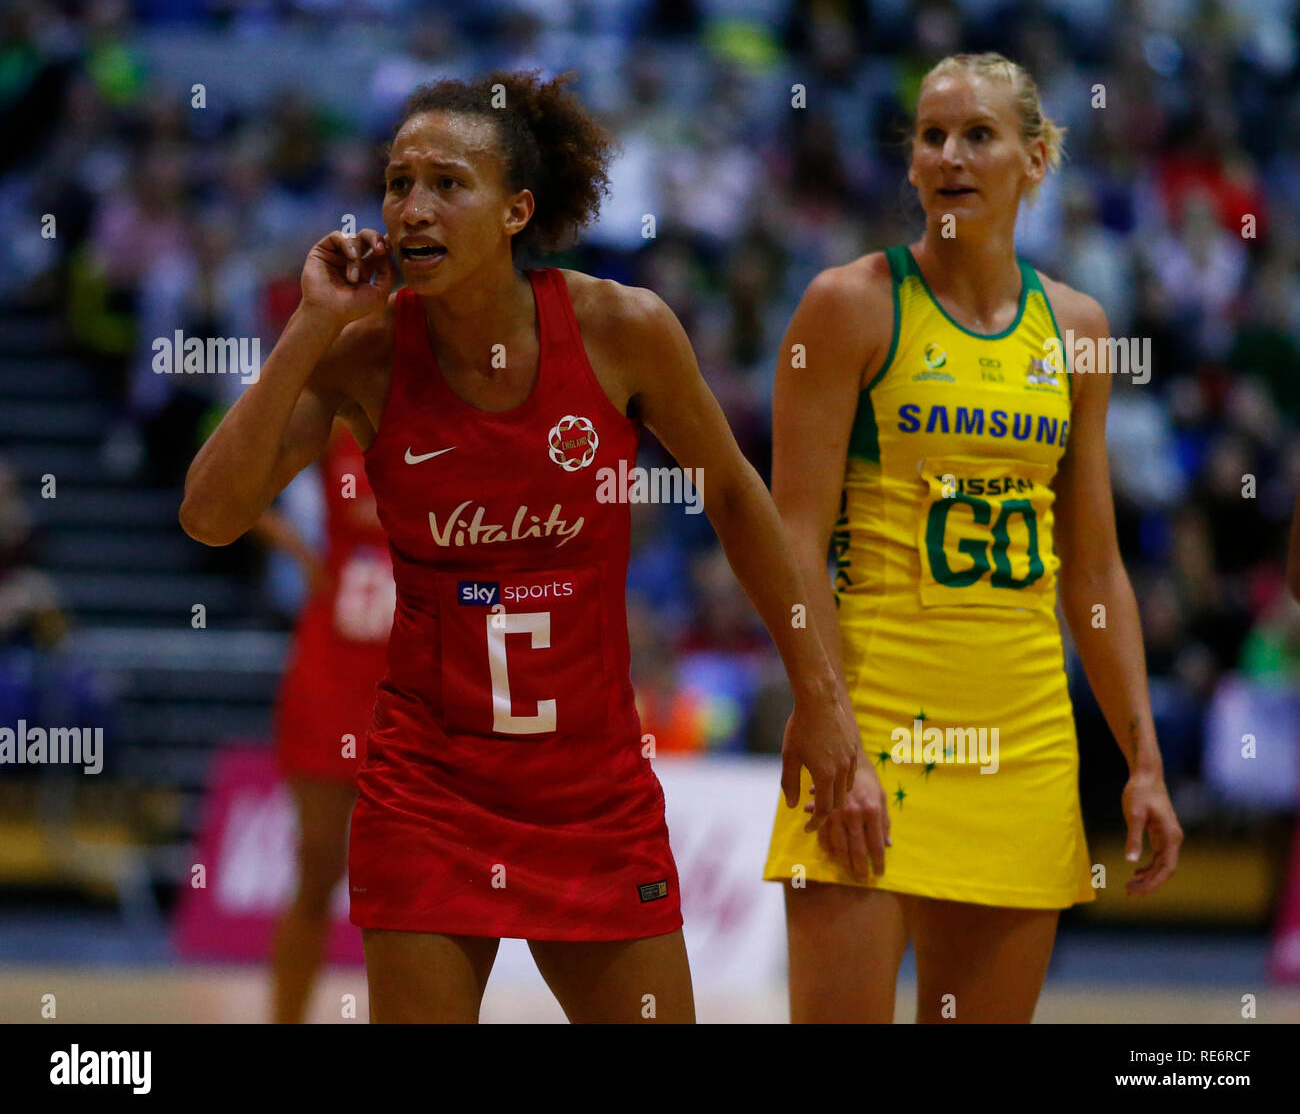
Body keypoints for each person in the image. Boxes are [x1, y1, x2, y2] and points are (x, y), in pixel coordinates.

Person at [180, 70, 859, 1024]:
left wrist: (821, 700)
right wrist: (309, 326)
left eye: (448, 183)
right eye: (397, 181)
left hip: (594, 791)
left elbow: (742, 504)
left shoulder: (624, 329)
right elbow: (209, 514)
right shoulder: (367, 351)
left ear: (516, 210)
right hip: (428, 793)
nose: (413, 206)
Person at [763, 52, 1184, 1024]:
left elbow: (1094, 569)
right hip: (868, 723)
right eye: (930, 134)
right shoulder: (848, 305)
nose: (949, 154)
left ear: (1035, 160)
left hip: (1022, 739)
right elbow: (789, 536)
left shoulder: (1077, 330)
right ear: (910, 162)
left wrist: (1142, 760)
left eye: (978, 135)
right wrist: (825, 720)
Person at [258, 423, 394, 1023]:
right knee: (317, 864)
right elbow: (232, 484)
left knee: (411, 882)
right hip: (331, 666)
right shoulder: (334, 421)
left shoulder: (452, 418)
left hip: (413, 672)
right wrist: (303, 556)